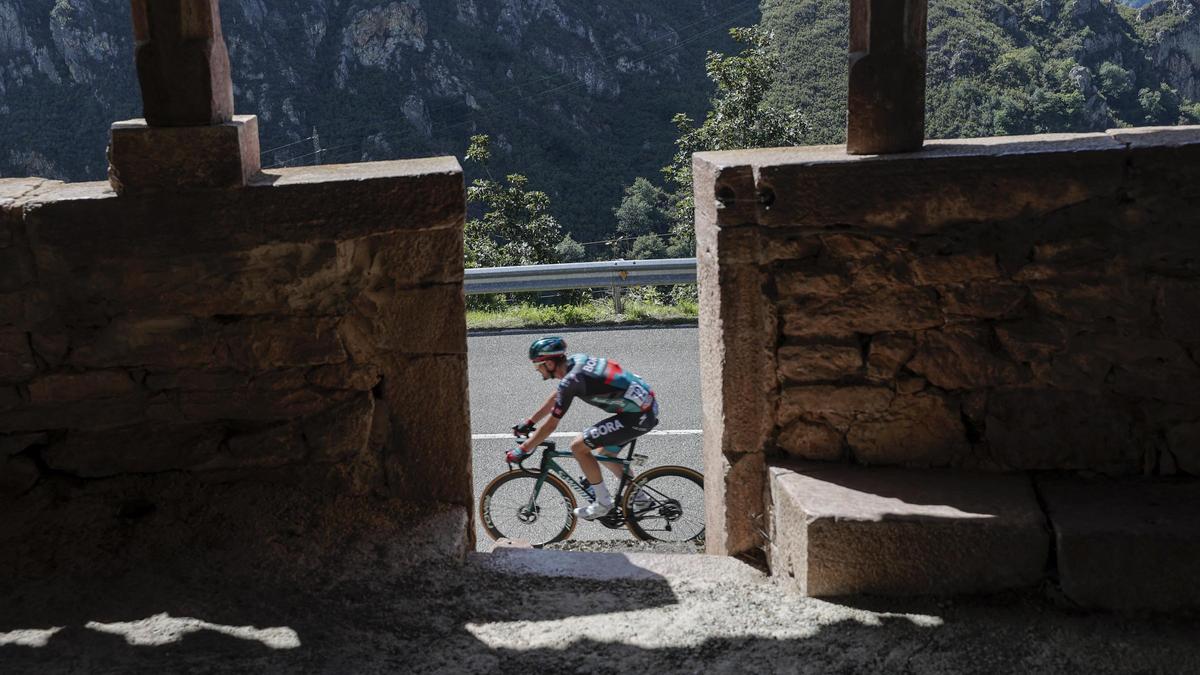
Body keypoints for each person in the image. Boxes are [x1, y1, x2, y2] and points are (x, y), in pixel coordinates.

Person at [508, 336, 658, 520]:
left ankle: (603, 502)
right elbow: (559, 395)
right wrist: (530, 422)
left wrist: (523, 449)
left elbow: (551, 425)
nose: (537, 370)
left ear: (548, 363)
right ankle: (641, 499)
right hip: (644, 408)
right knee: (605, 454)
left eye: (537, 365)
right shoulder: (577, 361)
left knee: (578, 446)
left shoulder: (571, 381)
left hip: (637, 416)